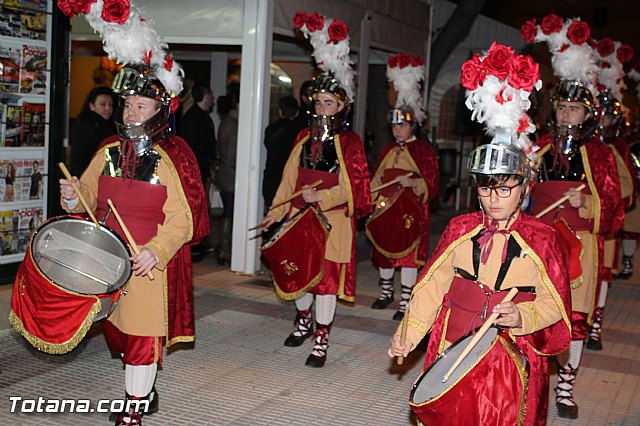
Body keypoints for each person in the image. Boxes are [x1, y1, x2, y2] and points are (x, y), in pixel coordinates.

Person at [388, 44, 572, 425]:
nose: (494, 199)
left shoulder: (542, 239)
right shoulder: (460, 228)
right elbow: (431, 287)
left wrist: (521, 315)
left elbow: (556, 308)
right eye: (486, 188)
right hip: (454, 339)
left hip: (510, 351)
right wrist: (410, 333)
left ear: (524, 188)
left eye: (505, 188)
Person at [59, 65, 208, 426]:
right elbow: (89, 196)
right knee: (119, 334)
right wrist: (72, 195)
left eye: (141, 106)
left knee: (141, 337)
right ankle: (145, 392)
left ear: (160, 110)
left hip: (147, 263)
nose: (131, 113)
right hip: (108, 258)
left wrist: (156, 250)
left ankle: (135, 407)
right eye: (128, 105)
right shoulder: (108, 148)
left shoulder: (175, 155)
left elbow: (184, 219)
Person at [523, 16, 624, 419]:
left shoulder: (598, 154)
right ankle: (534, 379)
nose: (566, 115)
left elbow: (614, 203)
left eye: (574, 110)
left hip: (581, 245)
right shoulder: (542, 147)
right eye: (562, 108)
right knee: (533, 309)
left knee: (573, 317)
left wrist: (590, 207)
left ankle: (565, 387)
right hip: (541, 242)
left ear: (587, 114)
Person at [261, 72, 371, 368]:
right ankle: (302, 322)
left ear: (340, 107)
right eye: (319, 103)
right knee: (298, 274)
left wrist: (323, 197)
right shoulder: (303, 138)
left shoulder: (350, 143)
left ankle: (321, 339)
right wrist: (274, 212)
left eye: (328, 103)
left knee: (325, 283)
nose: (322, 109)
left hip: (331, 224)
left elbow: (354, 188)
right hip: (299, 220)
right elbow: (288, 181)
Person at [369, 105, 439, 320]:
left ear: (412, 126)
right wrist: (370, 199)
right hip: (386, 206)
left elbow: (433, 182)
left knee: (408, 255)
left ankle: (406, 299)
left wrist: (414, 182)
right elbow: (377, 177)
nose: (398, 130)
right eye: (394, 126)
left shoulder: (423, 150)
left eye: (402, 125)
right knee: (384, 250)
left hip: (409, 209)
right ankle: (386, 292)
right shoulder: (387, 149)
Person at [262, 95, 300, 210]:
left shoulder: (270, 130)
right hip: (290, 177)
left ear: (280, 111)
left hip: (271, 175)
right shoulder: (299, 132)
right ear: (296, 113)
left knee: (271, 212)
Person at [70, 86, 116, 177]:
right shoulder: (85, 128)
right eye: (103, 104)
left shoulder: (111, 126)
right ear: (91, 106)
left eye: (110, 105)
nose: (107, 108)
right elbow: (78, 160)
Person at [215, 93, 239, 265]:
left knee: (228, 212)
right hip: (230, 174)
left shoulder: (225, 123)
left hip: (224, 172)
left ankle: (224, 250)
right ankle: (224, 250)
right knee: (229, 213)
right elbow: (231, 154)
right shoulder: (233, 125)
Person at [177, 82, 216, 187]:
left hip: (198, 168)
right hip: (196, 169)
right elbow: (192, 145)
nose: (213, 99)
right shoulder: (194, 118)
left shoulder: (197, 116)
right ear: (206, 96)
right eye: (211, 95)